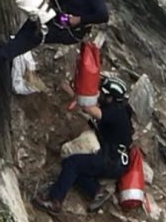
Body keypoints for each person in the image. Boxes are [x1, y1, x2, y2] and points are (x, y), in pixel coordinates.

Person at [31, 76, 134, 214]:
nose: (100, 95)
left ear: (110, 98)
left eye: (103, 94)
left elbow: (91, 110)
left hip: (112, 161)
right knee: (75, 168)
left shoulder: (115, 113)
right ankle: (96, 191)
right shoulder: (119, 107)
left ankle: (55, 201)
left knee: (72, 163)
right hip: (117, 160)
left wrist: (74, 94)